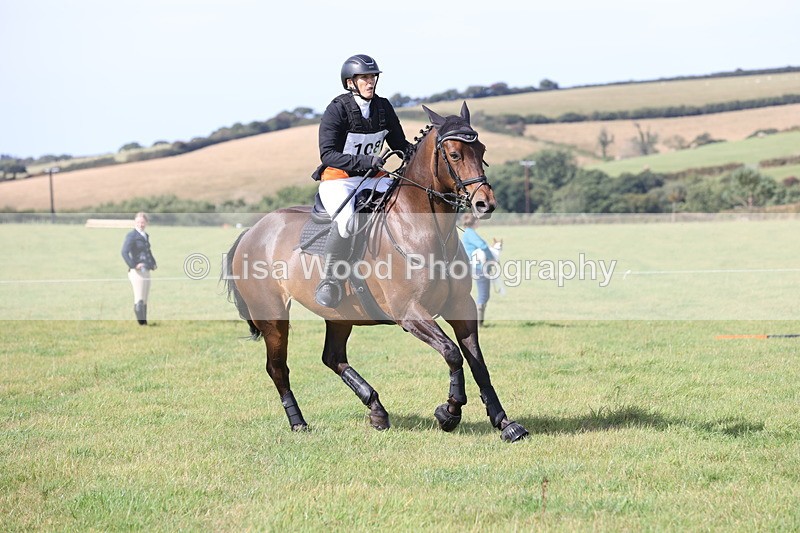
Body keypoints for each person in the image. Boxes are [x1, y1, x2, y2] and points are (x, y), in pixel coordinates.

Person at [311, 53, 412, 308]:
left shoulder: (384, 107)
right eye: (364, 78)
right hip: (339, 179)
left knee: (406, 203)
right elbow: (328, 154)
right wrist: (365, 162)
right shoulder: (337, 109)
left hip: (373, 178)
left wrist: (420, 153)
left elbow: (399, 144)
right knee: (346, 221)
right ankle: (330, 280)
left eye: (372, 77)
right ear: (350, 82)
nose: (370, 82)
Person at [121, 212, 157, 325]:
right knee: (139, 298)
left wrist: (153, 263)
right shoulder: (132, 236)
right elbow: (124, 252)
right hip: (137, 272)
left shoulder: (145, 235)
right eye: (138, 222)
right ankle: (141, 324)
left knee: (145, 298)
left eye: (142, 222)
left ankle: (145, 323)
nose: (140, 224)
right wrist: (133, 265)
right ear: (135, 223)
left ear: (146, 222)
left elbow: (147, 251)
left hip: (146, 269)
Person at [461, 213, 494, 326]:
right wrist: (492, 258)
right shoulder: (470, 233)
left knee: (483, 294)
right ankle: (478, 323)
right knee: (484, 294)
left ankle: (478, 322)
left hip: (474, 265)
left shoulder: (466, 233)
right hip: (480, 266)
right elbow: (483, 246)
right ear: (475, 222)